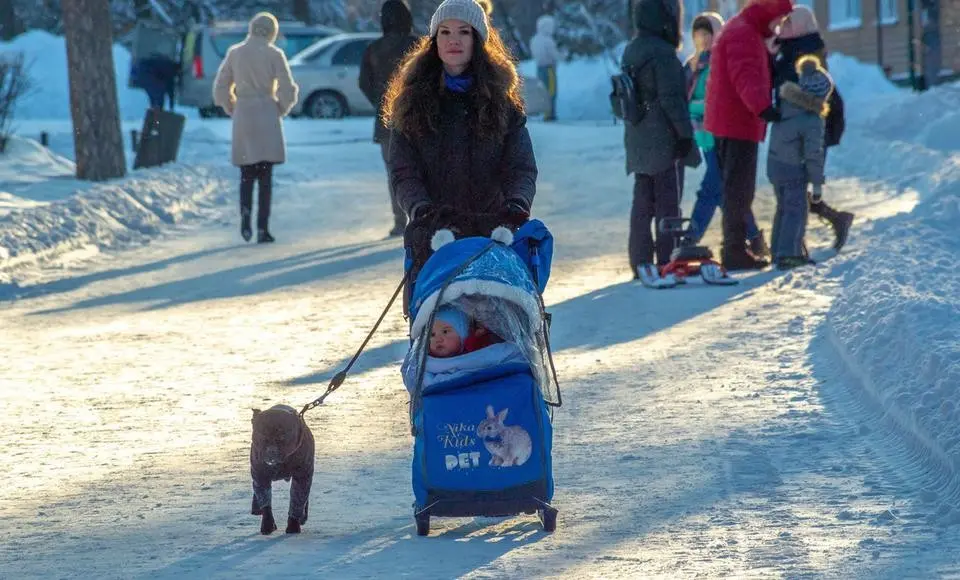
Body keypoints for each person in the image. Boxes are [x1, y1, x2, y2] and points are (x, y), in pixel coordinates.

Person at [383, 0, 538, 284]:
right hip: (434, 234)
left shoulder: (502, 103)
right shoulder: (411, 103)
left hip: (493, 232)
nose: (453, 40)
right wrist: (421, 209)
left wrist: (516, 207)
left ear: (478, 40)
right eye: (445, 32)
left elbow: (521, 168)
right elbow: (404, 172)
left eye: (463, 32)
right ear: (434, 40)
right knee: (440, 323)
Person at [703, 0, 792, 270]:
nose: (779, 25)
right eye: (778, 19)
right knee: (739, 191)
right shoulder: (744, 34)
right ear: (767, 13)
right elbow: (745, 75)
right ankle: (734, 252)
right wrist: (763, 108)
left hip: (730, 122)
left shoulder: (743, 30)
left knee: (736, 190)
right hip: (736, 124)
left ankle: (735, 248)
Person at [621, 0, 694, 285]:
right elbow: (672, 100)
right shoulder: (663, 53)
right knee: (667, 201)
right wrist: (685, 135)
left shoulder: (632, 48)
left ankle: (639, 259)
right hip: (662, 139)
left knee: (642, 203)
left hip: (637, 137)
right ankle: (667, 258)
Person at [684, 12, 769, 257]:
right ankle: (753, 238)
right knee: (726, 191)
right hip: (704, 138)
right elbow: (687, 97)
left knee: (714, 188)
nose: (702, 40)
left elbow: (716, 99)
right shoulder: (693, 64)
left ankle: (692, 236)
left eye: (707, 35)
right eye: (698, 36)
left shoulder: (719, 62)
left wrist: (697, 107)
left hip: (721, 134)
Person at [772, 5, 854, 252]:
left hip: (810, 128)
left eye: (789, 22)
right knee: (793, 189)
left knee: (794, 189)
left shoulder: (806, 52)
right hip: (798, 128)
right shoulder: (789, 49)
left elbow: (818, 95)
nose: (783, 25)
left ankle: (796, 243)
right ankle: (828, 223)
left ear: (800, 26)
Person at [213, 12, 299, 244]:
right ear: (271, 31)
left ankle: (245, 218)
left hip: (244, 113)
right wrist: (280, 108)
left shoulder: (235, 53)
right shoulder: (274, 54)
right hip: (267, 112)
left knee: (246, 173)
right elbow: (288, 88)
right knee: (265, 175)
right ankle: (263, 228)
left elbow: (220, 87)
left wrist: (232, 107)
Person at [359, 0, 419, 238]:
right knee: (421, 169)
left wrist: (381, 102)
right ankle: (421, 215)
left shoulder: (373, 49)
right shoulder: (417, 45)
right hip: (417, 118)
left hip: (387, 120)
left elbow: (364, 83)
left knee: (395, 171)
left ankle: (399, 220)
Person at [767, 55, 833, 269]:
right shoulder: (812, 119)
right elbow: (814, 153)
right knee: (796, 210)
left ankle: (777, 251)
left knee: (783, 208)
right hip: (793, 168)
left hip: (775, 165)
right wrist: (816, 184)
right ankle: (789, 253)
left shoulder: (786, 104)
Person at [530, 14, 560, 122]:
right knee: (551, 91)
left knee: (543, 91)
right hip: (549, 69)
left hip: (539, 68)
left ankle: (546, 113)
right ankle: (550, 114)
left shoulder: (534, 39)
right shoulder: (548, 40)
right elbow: (555, 55)